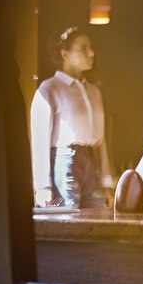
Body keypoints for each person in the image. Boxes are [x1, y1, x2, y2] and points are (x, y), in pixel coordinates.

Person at [30, 27, 115, 208]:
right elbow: (39, 140)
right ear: (65, 54)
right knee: (67, 217)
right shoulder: (49, 89)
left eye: (90, 47)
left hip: (91, 162)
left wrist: (107, 182)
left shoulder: (94, 91)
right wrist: (42, 185)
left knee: (97, 218)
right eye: (83, 48)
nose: (91, 53)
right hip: (64, 160)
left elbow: (102, 142)